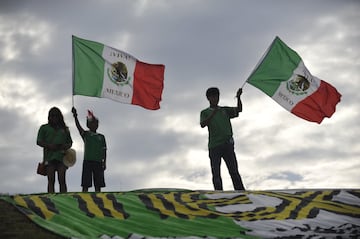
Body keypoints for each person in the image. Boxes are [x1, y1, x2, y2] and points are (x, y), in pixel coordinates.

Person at [200, 87, 245, 191]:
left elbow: (239, 110)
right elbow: (203, 124)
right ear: (208, 98)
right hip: (214, 146)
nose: (216, 99)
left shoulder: (224, 110)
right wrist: (213, 113)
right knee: (216, 172)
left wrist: (238, 97)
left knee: (234, 171)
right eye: (213, 97)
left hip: (227, 145)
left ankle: (241, 192)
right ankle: (219, 194)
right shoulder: (205, 112)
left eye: (217, 96)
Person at [37, 107, 73, 193]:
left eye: (56, 116)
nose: (54, 118)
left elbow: (70, 143)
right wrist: (49, 146)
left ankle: (64, 198)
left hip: (62, 157)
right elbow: (38, 141)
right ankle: (50, 199)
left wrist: (64, 146)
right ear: (49, 117)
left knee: (62, 179)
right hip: (49, 157)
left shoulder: (65, 129)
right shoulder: (44, 128)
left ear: (60, 117)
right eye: (52, 116)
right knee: (51, 180)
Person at [72, 107, 107, 192]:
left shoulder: (101, 137)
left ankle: (98, 197)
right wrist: (75, 116)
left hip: (98, 162)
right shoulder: (86, 134)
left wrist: (104, 162)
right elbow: (78, 127)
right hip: (88, 161)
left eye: (96, 123)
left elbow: (104, 150)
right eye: (93, 123)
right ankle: (84, 196)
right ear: (88, 125)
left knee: (98, 184)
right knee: (85, 183)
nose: (95, 124)